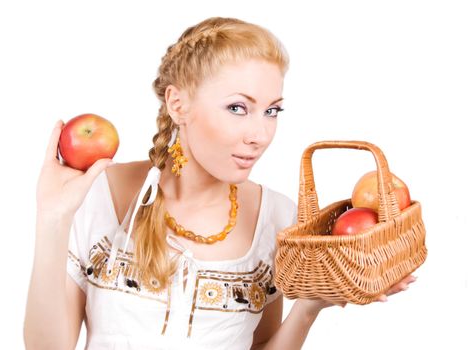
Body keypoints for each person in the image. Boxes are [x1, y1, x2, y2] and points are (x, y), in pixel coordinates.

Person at [24, 16, 416, 350]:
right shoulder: (102, 195)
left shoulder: (277, 218)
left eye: (272, 111)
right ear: (178, 105)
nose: (260, 134)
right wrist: (53, 219)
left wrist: (308, 306)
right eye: (237, 108)